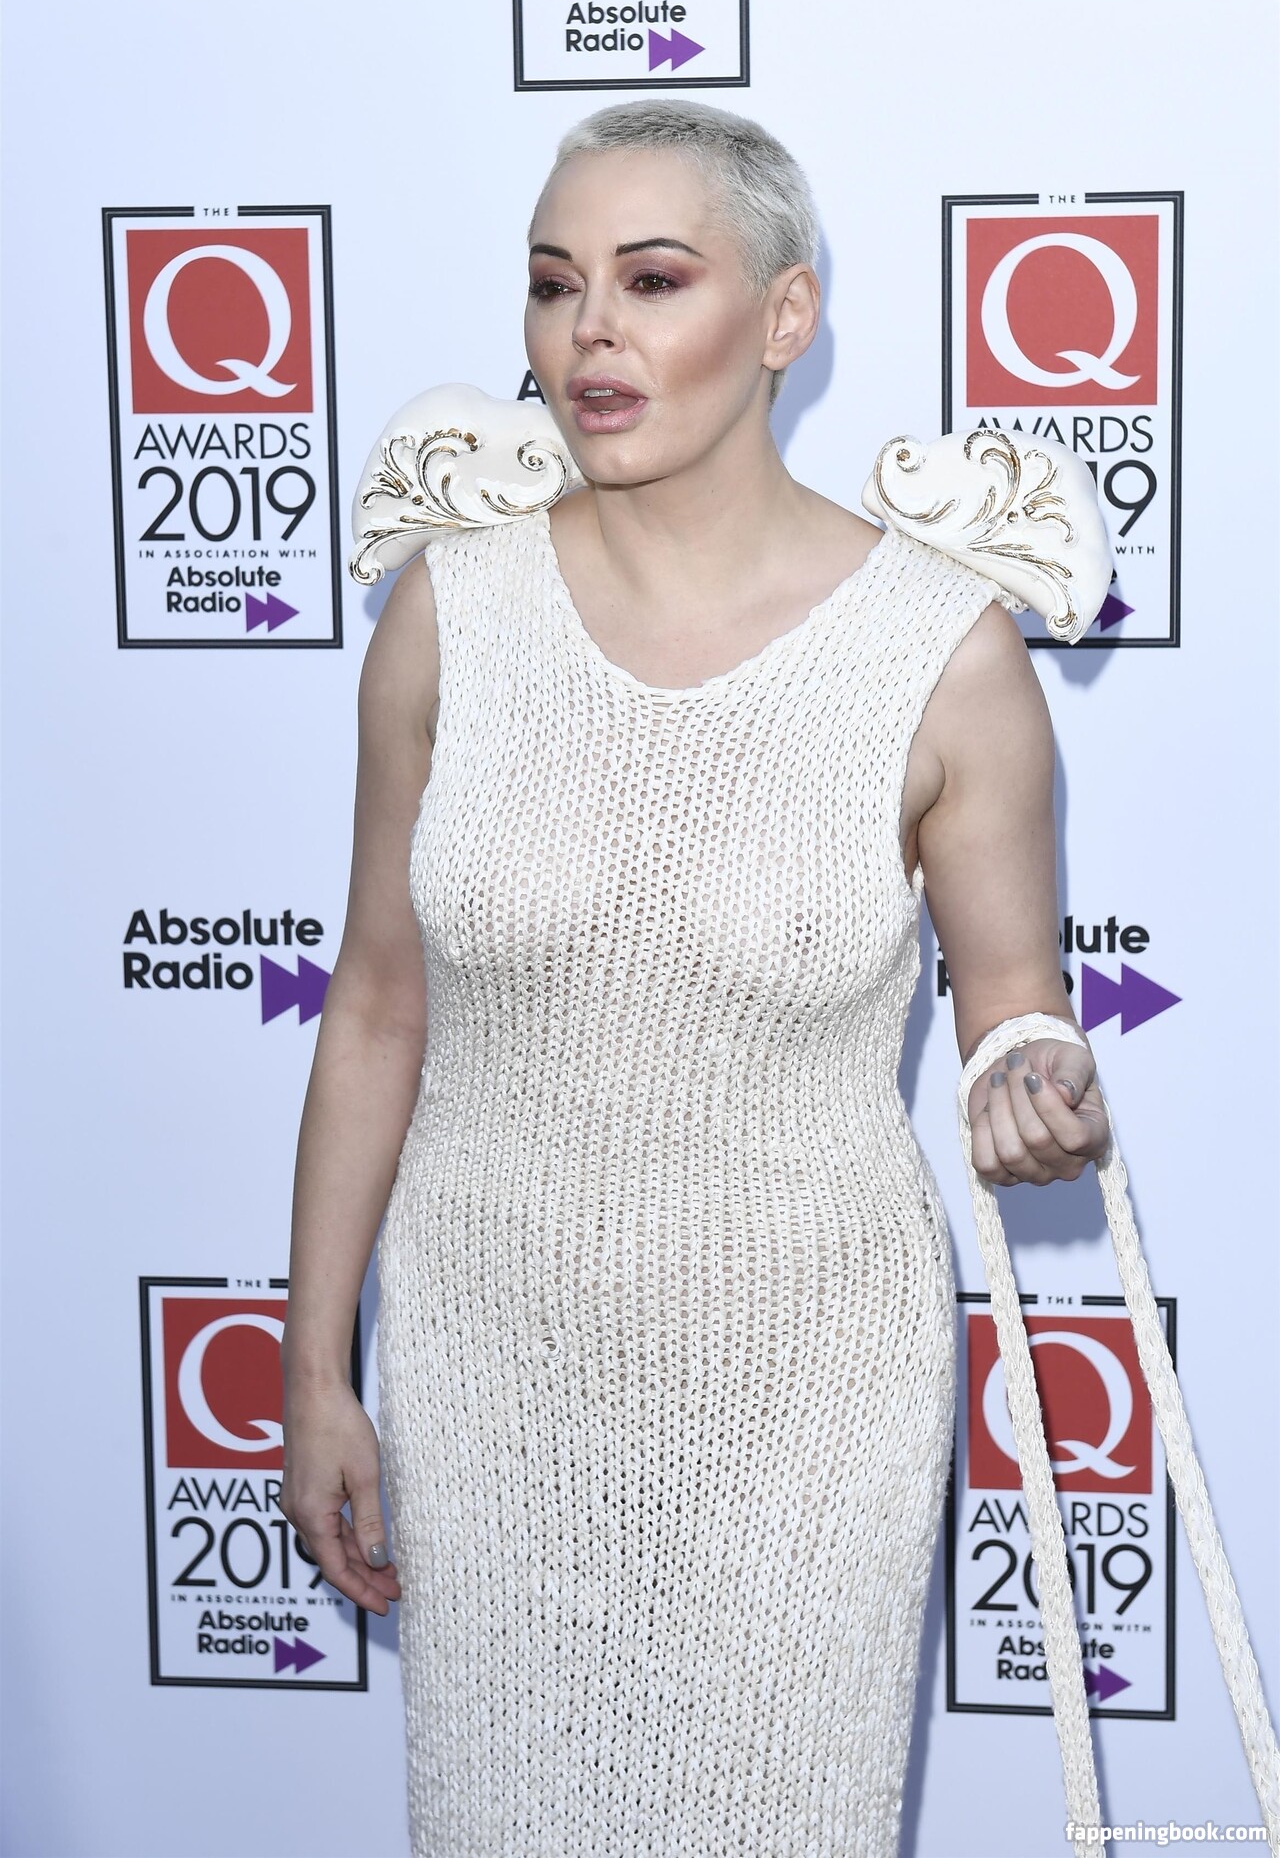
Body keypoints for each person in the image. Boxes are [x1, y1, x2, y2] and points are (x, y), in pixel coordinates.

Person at [279, 97, 1110, 1856]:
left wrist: (1033, 1075)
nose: (592, 331)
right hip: (489, 1375)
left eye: (654, 281)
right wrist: (313, 1368)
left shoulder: (942, 655)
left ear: (785, 316)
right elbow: (375, 1006)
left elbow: (1012, 1004)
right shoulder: (449, 615)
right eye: (554, 284)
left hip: (807, 1397)